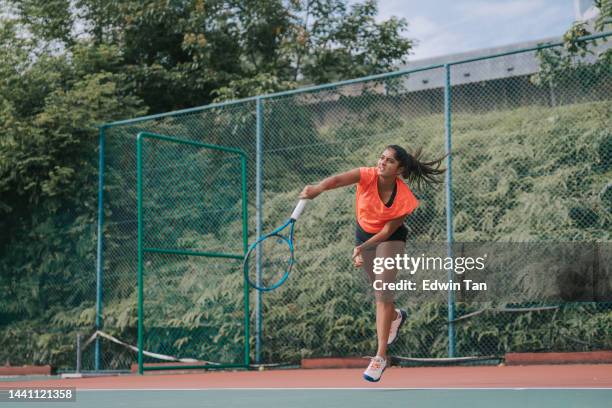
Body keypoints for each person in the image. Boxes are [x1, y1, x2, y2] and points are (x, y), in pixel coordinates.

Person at [299, 145, 446, 382]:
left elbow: (389, 229)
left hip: (390, 238)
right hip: (364, 234)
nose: (382, 162)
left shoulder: (405, 198)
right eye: (381, 158)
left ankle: (380, 357)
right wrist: (318, 189)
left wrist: (363, 249)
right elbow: (336, 180)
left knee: (382, 292)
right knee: (381, 293)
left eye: (389, 161)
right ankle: (395, 317)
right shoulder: (366, 175)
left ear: (400, 169)